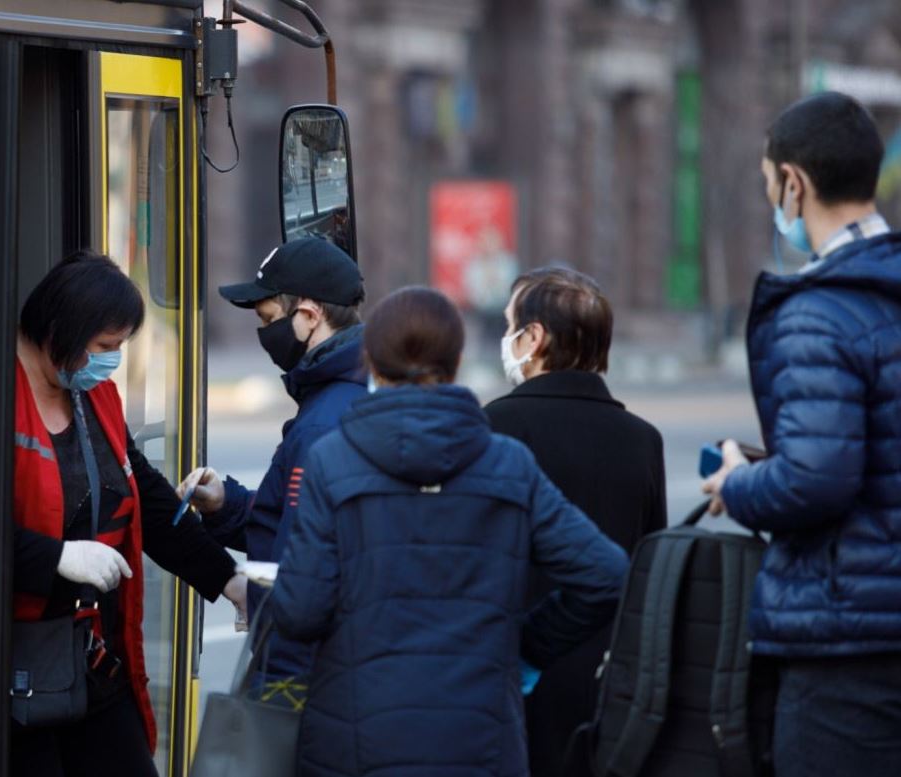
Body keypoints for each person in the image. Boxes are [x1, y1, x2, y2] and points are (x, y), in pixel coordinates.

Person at [270, 286, 629, 777]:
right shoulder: (508, 464)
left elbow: (299, 612)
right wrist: (524, 645)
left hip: (355, 738)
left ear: (371, 361)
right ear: (457, 361)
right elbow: (607, 573)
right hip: (480, 739)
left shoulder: (332, 462)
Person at [702, 91, 901, 777]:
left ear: (794, 183)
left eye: (768, 186)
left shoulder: (816, 311)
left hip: (846, 644)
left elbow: (816, 479)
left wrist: (737, 481)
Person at [11, 251, 248, 777]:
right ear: (61, 331)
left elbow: (149, 502)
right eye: (105, 347)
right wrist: (55, 557)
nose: (112, 360)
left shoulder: (94, 396)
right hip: (13, 670)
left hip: (90, 656)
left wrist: (228, 579)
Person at [485, 267, 666, 777]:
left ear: (535, 337)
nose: (507, 339)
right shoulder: (642, 440)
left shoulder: (493, 427)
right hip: (613, 689)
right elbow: (648, 570)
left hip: (518, 683)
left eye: (510, 325)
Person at [176, 236, 366, 708]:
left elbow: (297, 576)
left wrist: (274, 694)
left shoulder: (324, 421)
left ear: (308, 314)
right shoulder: (346, 391)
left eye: (268, 320)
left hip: (309, 678)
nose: (265, 337)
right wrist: (227, 503)